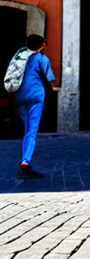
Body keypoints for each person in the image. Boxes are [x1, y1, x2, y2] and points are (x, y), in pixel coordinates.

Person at [14, 34, 55, 179]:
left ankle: (25, 161)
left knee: (26, 129)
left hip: (20, 96)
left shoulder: (20, 55)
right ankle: (25, 163)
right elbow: (50, 79)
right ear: (42, 45)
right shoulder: (41, 58)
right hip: (36, 97)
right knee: (31, 131)